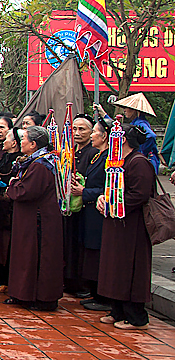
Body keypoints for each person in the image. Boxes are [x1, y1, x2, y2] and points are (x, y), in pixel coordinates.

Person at [96, 124, 155, 329]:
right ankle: (117, 310)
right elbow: (112, 188)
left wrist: (114, 204)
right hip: (116, 222)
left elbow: (140, 194)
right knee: (115, 267)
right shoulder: (118, 161)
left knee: (130, 268)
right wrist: (103, 198)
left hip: (132, 225)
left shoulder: (138, 162)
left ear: (123, 139)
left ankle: (136, 316)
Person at [5, 125, 63, 311]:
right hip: (30, 218)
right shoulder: (35, 162)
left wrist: (12, 186)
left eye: (24, 139)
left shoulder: (41, 165)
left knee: (36, 257)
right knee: (25, 256)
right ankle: (23, 294)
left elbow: (27, 191)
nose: (21, 142)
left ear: (33, 144)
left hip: (39, 220)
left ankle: (38, 297)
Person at [71, 117, 111, 311]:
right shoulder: (98, 156)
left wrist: (84, 191)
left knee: (98, 253)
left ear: (104, 137)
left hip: (99, 211)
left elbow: (108, 188)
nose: (92, 135)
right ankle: (95, 293)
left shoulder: (109, 159)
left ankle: (103, 297)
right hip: (88, 212)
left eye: (94, 132)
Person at [65, 114, 98, 298]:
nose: (77, 133)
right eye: (74, 129)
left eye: (82, 129)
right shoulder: (70, 151)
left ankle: (82, 284)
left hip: (85, 205)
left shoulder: (93, 153)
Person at [0, 122, 20, 293]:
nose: (3, 140)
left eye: (7, 137)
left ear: (14, 143)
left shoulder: (19, 161)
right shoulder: (1, 157)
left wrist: (2, 190)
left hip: (10, 210)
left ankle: (7, 280)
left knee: (7, 244)